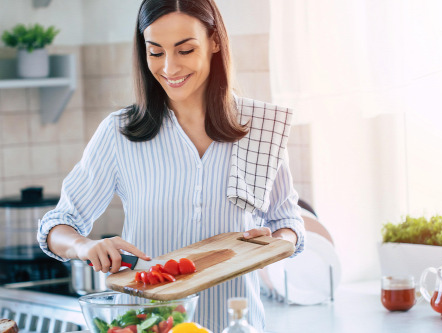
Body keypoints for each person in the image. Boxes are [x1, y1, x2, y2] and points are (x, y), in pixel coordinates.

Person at [37, 0, 305, 331]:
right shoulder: (119, 133)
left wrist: (277, 241)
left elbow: (288, 220)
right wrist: (85, 246)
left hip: (236, 324)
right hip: (149, 325)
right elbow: (56, 225)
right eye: (156, 52)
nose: (169, 68)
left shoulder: (260, 128)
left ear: (214, 42)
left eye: (185, 50)